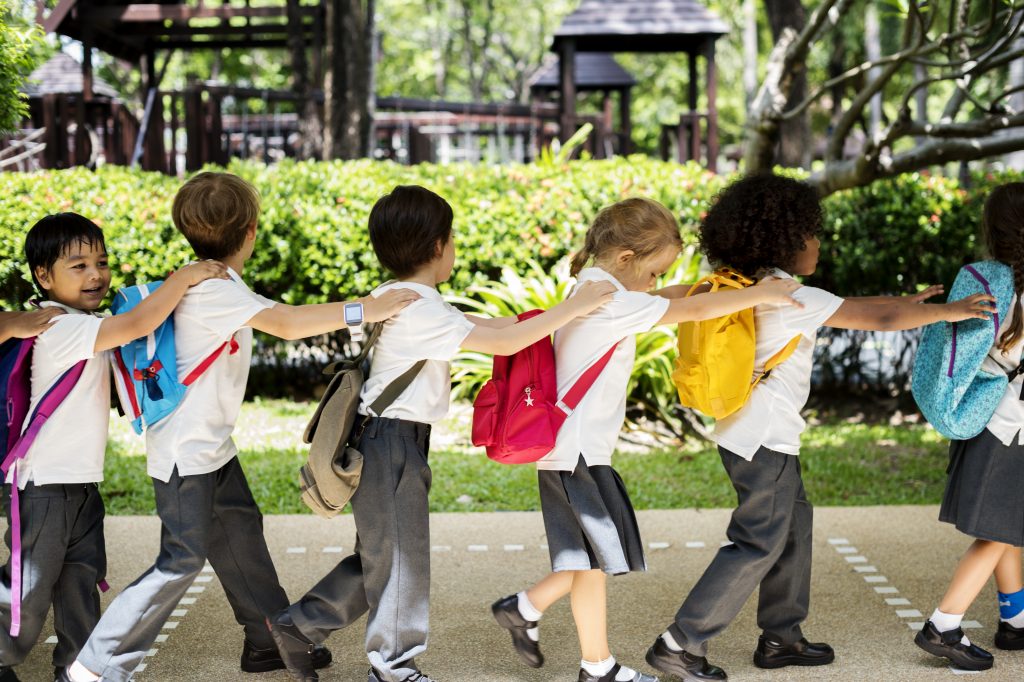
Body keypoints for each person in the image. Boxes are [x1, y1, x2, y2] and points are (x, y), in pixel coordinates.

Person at [62, 173, 419, 682]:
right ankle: (95, 666)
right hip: (185, 451)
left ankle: (268, 640)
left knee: (240, 533)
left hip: (210, 447)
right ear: (251, 231)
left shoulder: (216, 283)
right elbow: (291, 323)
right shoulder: (213, 290)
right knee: (180, 559)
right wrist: (368, 309)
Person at [642, 173, 995, 682]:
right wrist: (950, 312)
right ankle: (681, 642)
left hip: (747, 434)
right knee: (758, 540)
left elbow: (853, 308)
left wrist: (911, 305)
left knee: (793, 528)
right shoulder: (789, 296)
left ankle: (781, 636)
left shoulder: (753, 285)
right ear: (789, 239)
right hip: (765, 439)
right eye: (813, 233)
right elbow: (878, 320)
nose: (819, 243)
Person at [269, 185, 618, 682]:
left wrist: (562, 316)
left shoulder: (408, 300)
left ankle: (297, 626)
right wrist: (575, 308)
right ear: (438, 246)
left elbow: (494, 324)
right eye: (451, 239)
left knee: (381, 555)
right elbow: (505, 339)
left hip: (389, 441)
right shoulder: (422, 310)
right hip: (392, 443)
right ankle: (391, 664)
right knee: (401, 560)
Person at [490, 197, 804, 682]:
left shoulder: (600, 286)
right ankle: (578, 652)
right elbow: (694, 308)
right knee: (593, 559)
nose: (657, 283)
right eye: (655, 273)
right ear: (626, 260)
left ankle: (536, 617)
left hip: (576, 451)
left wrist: (723, 287)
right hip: (575, 453)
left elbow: (681, 297)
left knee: (590, 560)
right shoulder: (612, 301)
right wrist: (761, 294)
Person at [1, 213, 227, 682]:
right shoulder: (62, 327)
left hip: (80, 481)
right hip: (44, 483)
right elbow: (140, 322)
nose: (96, 274)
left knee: (80, 579)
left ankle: (77, 666)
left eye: (101, 262)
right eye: (78, 265)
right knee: (28, 587)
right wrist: (183, 277)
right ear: (44, 276)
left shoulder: (85, 321)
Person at [915, 182, 1024, 671]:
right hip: (1011, 429)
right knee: (999, 532)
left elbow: (965, 356)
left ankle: (1015, 621)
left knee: (1005, 527)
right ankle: (943, 624)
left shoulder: (982, 279)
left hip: (981, 415)